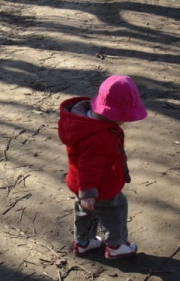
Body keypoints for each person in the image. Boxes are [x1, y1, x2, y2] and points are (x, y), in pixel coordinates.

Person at [58, 75, 147, 258]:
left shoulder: (82, 123)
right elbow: (89, 165)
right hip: (100, 187)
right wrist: (89, 192)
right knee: (115, 211)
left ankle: (84, 242)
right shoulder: (101, 137)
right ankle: (116, 246)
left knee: (84, 212)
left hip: (78, 183)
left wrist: (84, 192)